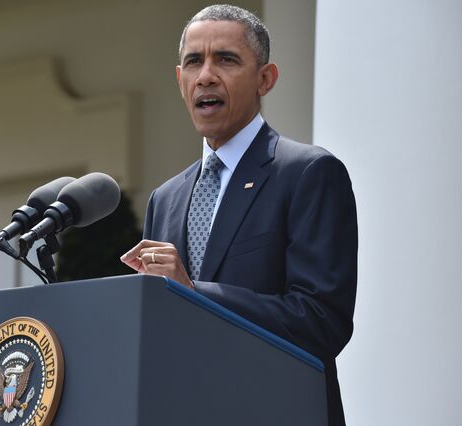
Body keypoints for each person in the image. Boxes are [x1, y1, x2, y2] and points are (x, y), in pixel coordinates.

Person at [121, 5, 357, 425]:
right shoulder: (166, 198)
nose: (206, 75)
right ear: (180, 81)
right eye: (194, 62)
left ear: (265, 79)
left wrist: (194, 292)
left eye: (226, 59)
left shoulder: (307, 173)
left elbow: (322, 322)